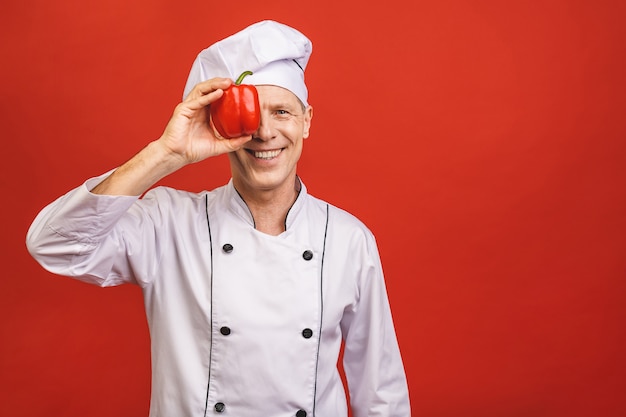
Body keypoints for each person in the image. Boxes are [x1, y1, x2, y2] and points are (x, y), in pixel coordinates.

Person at [26, 20, 410, 417]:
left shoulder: (349, 240)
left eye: (282, 112)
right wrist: (167, 153)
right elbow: (56, 245)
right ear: (221, 125)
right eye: (247, 117)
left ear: (306, 120)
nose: (264, 132)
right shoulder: (169, 223)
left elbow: (381, 392)